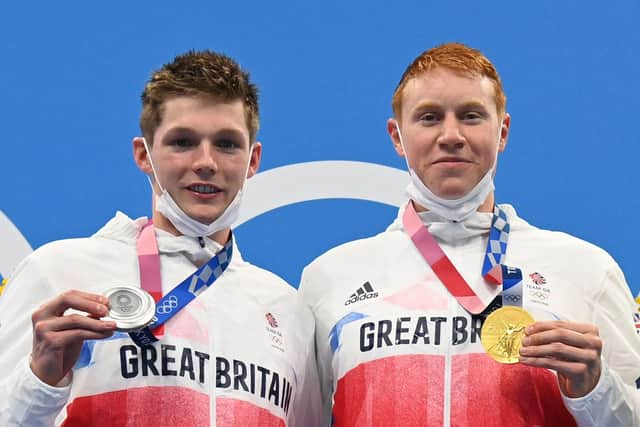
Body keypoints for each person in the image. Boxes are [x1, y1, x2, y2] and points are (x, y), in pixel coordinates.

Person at [299, 42, 640, 426]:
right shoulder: (328, 279)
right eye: (429, 117)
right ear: (396, 136)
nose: (451, 135)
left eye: (471, 116)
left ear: (503, 131)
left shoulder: (586, 270)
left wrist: (595, 388)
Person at [0, 50, 321, 426]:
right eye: (182, 142)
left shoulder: (288, 310)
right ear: (144, 154)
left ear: (253, 160)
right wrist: (41, 383)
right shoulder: (59, 273)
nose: (206, 162)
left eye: (227, 144)